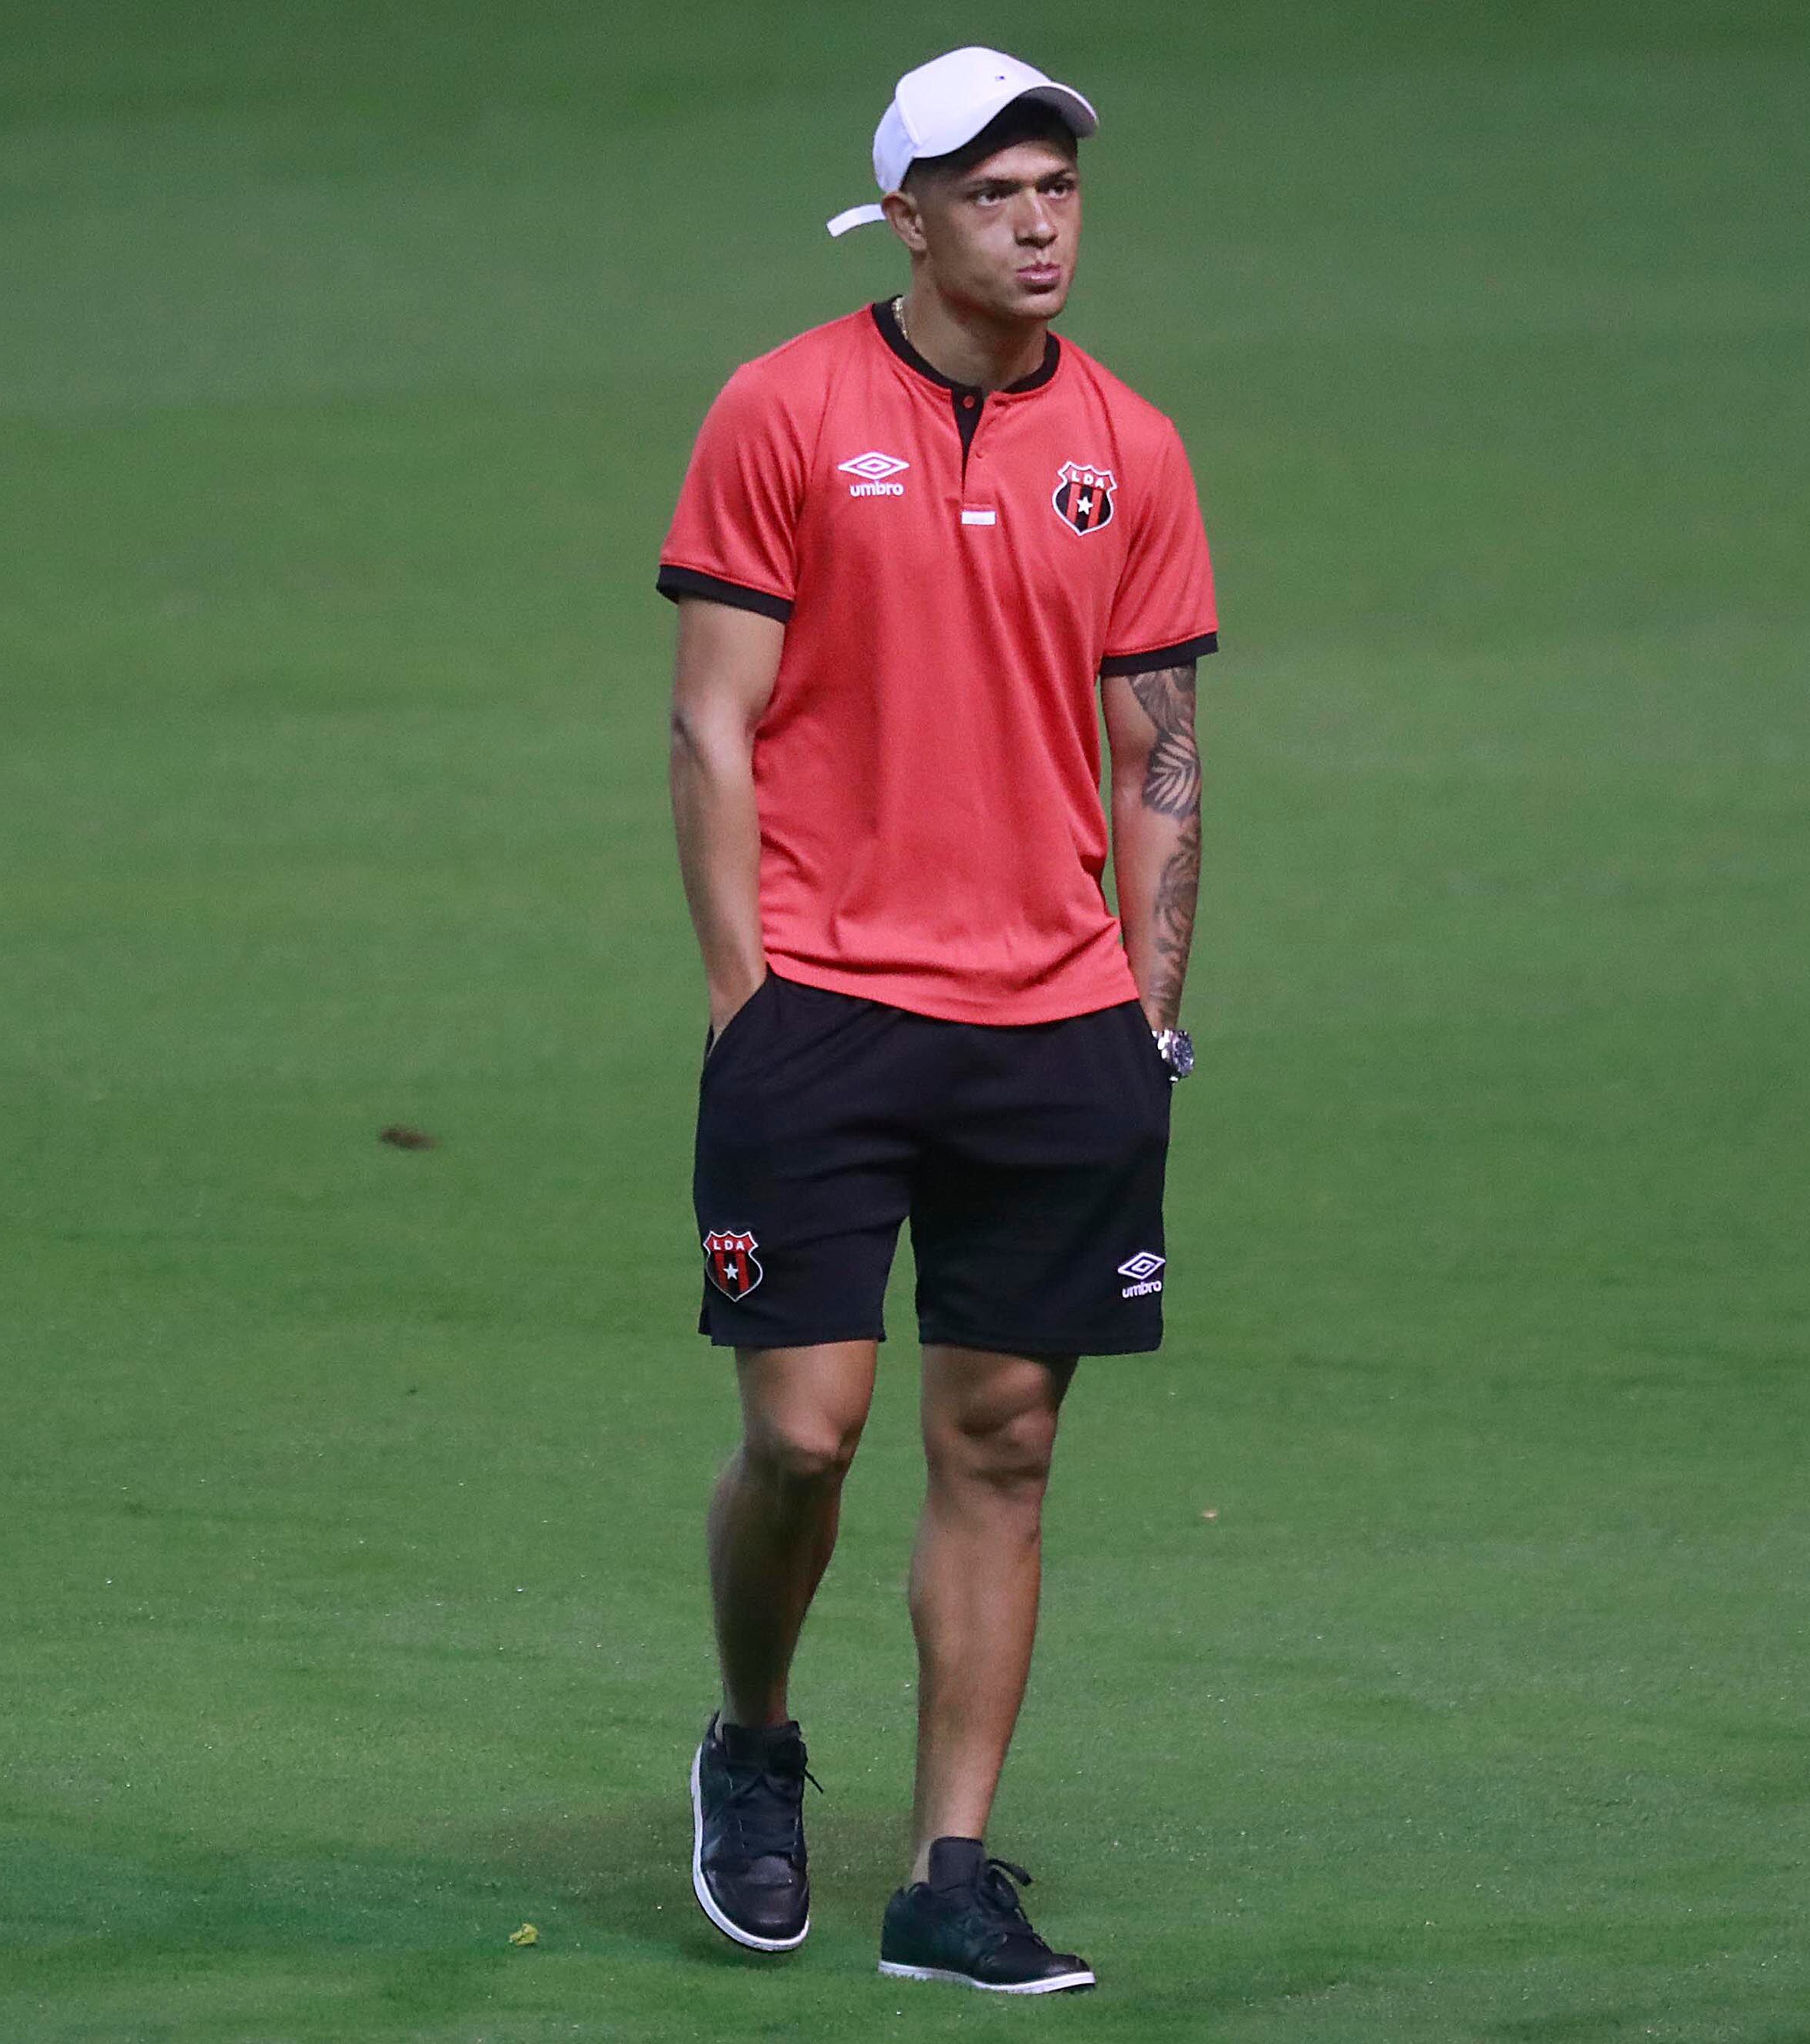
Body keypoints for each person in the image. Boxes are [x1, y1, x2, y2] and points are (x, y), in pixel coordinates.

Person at [656, 45, 1216, 1997]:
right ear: (905, 216)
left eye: (1056, 187)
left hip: (1053, 1017)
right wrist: (744, 999)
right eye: (991, 193)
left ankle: (948, 1873)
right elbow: (710, 712)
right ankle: (752, 1736)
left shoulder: (1130, 446)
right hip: (821, 998)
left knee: (1005, 1438)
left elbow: (1158, 747)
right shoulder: (785, 407)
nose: (1038, 222)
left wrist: (1145, 1009)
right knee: (804, 1434)